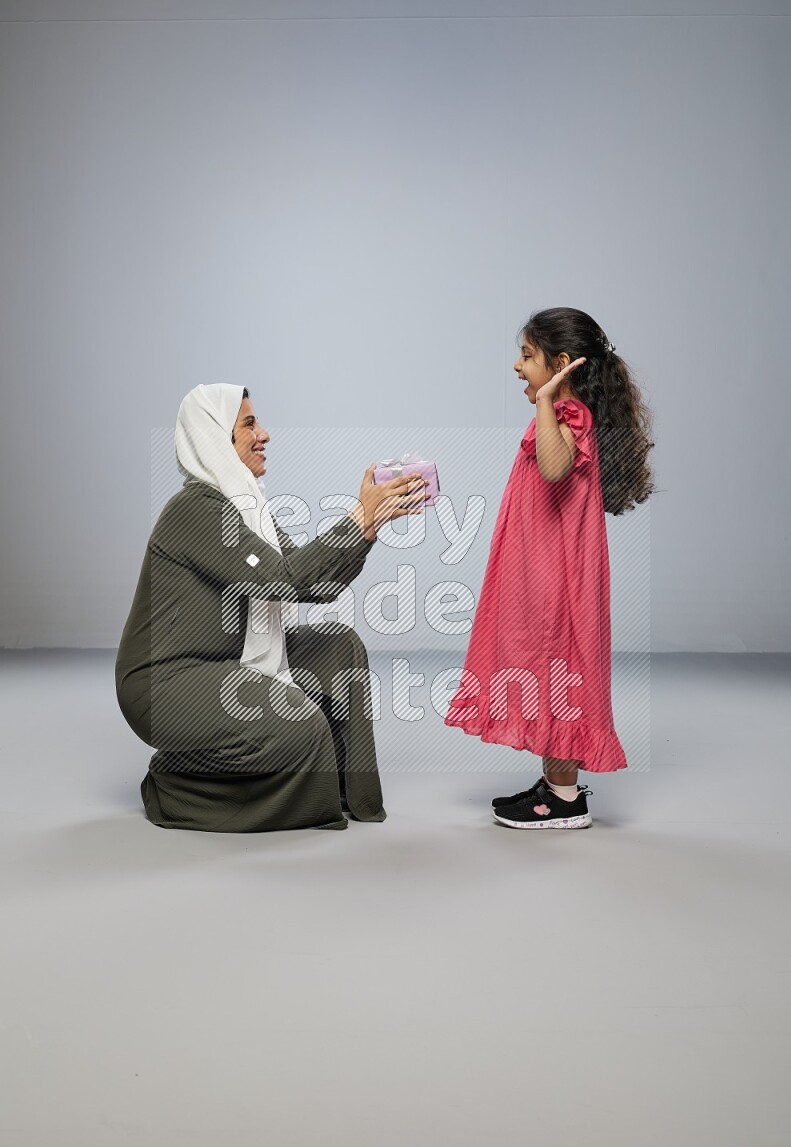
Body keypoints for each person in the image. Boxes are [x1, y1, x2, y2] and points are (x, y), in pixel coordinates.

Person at [115, 383, 426, 832]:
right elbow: (284, 580)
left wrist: (370, 523)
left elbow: (311, 582)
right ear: (216, 438)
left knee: (340, 648)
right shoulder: (194, 509)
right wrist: (358, 516)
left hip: (226, 660)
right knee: (301, 726)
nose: (265, 434)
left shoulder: (248, 508)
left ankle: (344, 791)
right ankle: (174, 785)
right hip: (164, 683)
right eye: (248, 424)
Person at [444, 308, 654, 829]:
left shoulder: (568, 415)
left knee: (557, 665)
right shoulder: (562, 415)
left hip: (557, 575)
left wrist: (545, 400)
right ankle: (557, 783)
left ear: (560, 364)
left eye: (527, 356)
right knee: (546, 668)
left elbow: (556, 468)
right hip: (544, 565)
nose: (518, 367)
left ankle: (563, 801)